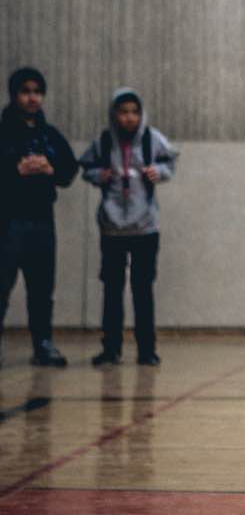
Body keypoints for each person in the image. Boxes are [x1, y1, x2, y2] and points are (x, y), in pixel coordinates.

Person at [79, 88, 179, 367]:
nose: (129, 118)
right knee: (112, 290)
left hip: (145, 227)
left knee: (142, 289)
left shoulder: (151, 139)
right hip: (112, 228)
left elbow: (170, 160)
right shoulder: (103, 141)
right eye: (123, 112)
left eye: (135, 112)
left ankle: (147, 349)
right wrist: (99, 175)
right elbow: (85, 167)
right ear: (114, 114)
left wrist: (158, 172)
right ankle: (111, 348)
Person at [0, 67, 77, 367]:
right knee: (2, 285)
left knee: (42, 288)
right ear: (14, 95)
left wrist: (50, 169)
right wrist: (15, 170)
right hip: (8, 221)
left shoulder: (50, 134)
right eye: (25, 92)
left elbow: (70, 169)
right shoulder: (4, 132)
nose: (32, 98)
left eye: (37, 92)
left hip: (42, 221)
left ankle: (43, 344)